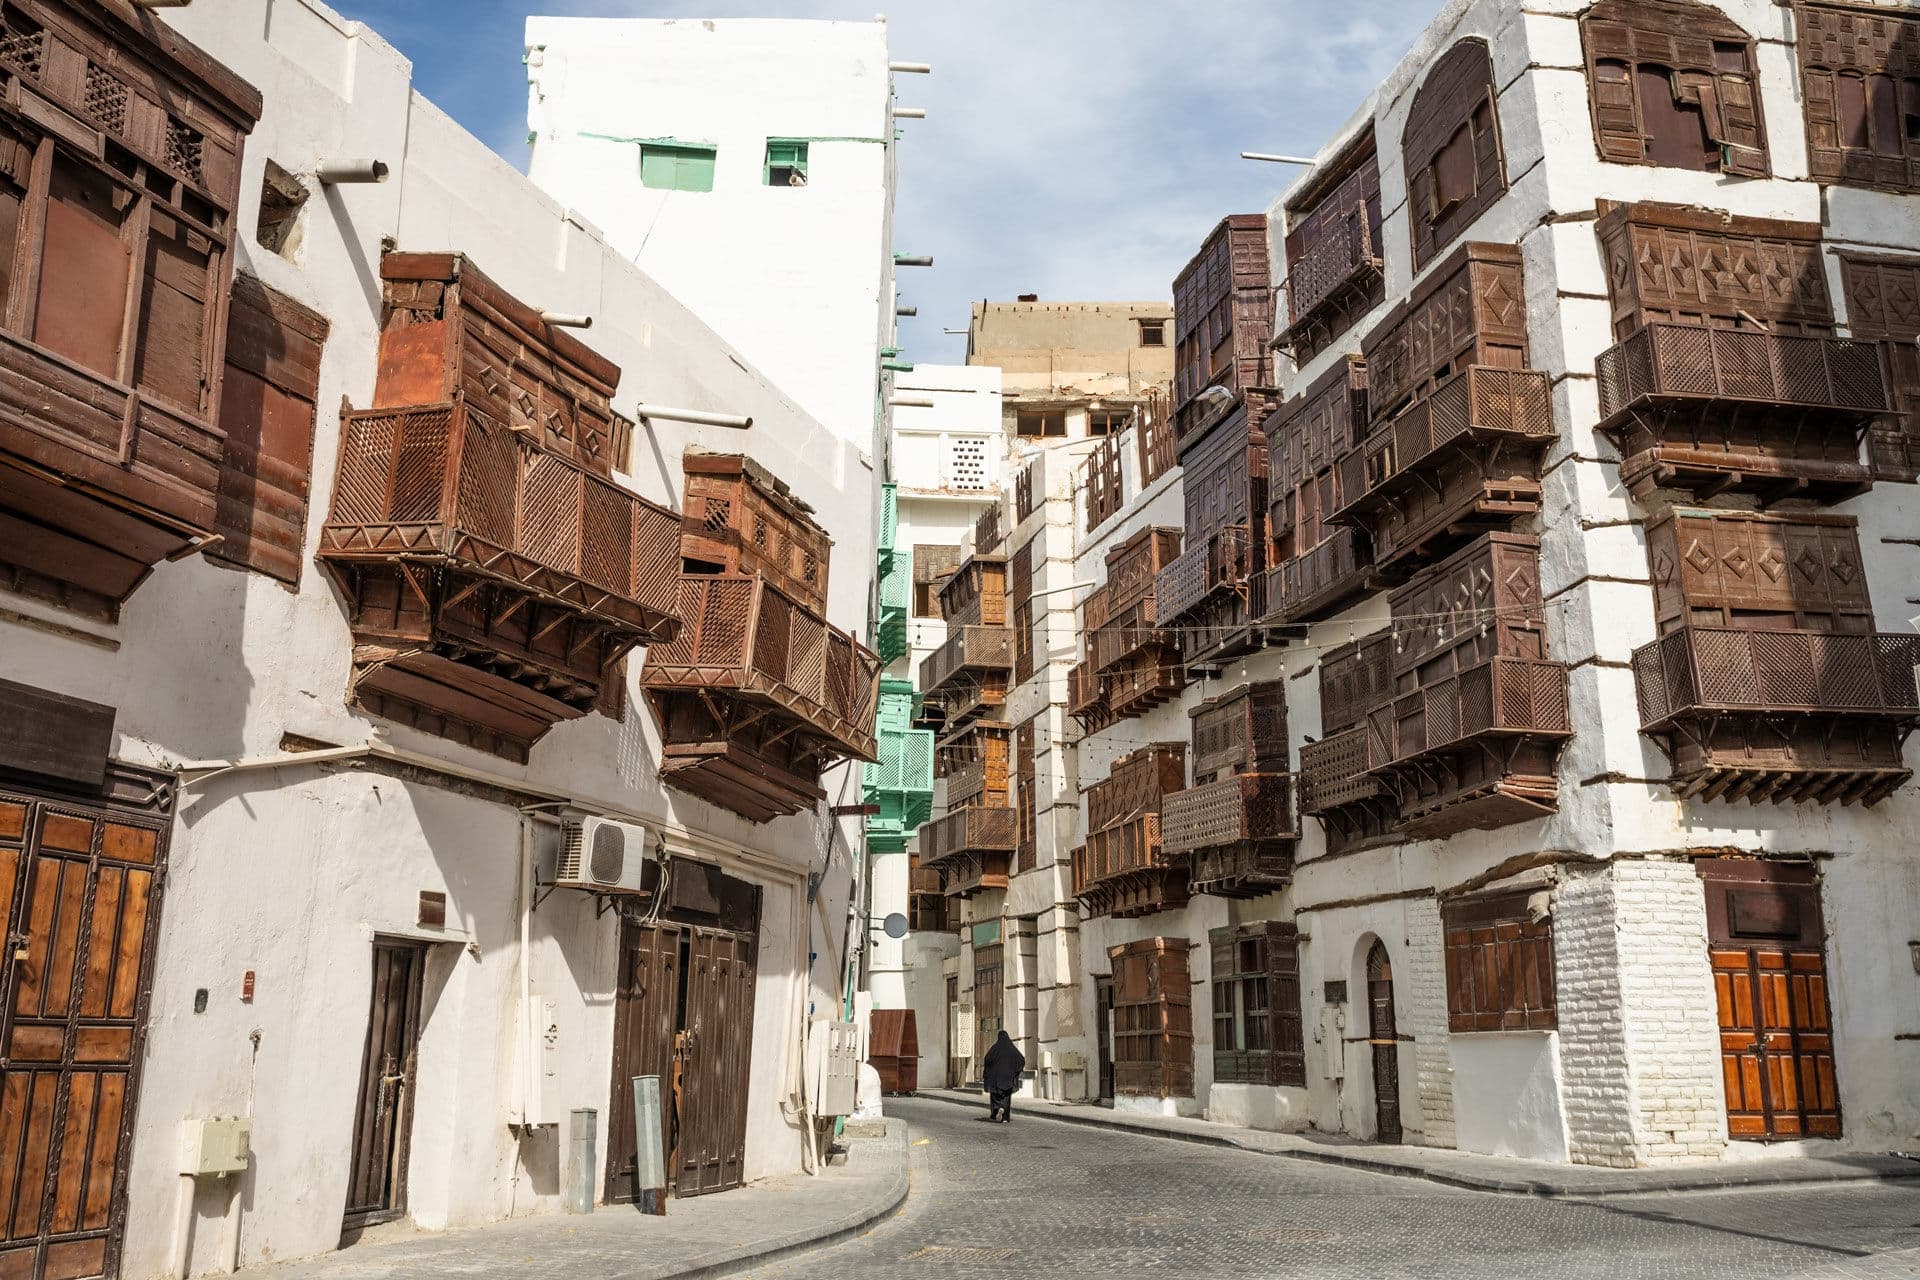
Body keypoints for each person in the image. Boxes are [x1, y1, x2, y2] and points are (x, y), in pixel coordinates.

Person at [982, 1029, 1024, 1124]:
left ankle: (996, 1111)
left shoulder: (995, 1048)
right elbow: (1021, 1060)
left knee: (995, 1095)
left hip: (996, 1078)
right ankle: (1005, 1117)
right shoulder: (1011, 1048)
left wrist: (989, 1071)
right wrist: (1015, 1070)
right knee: (1006, 1096)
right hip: (1008, 1078)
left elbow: (987, 1059)